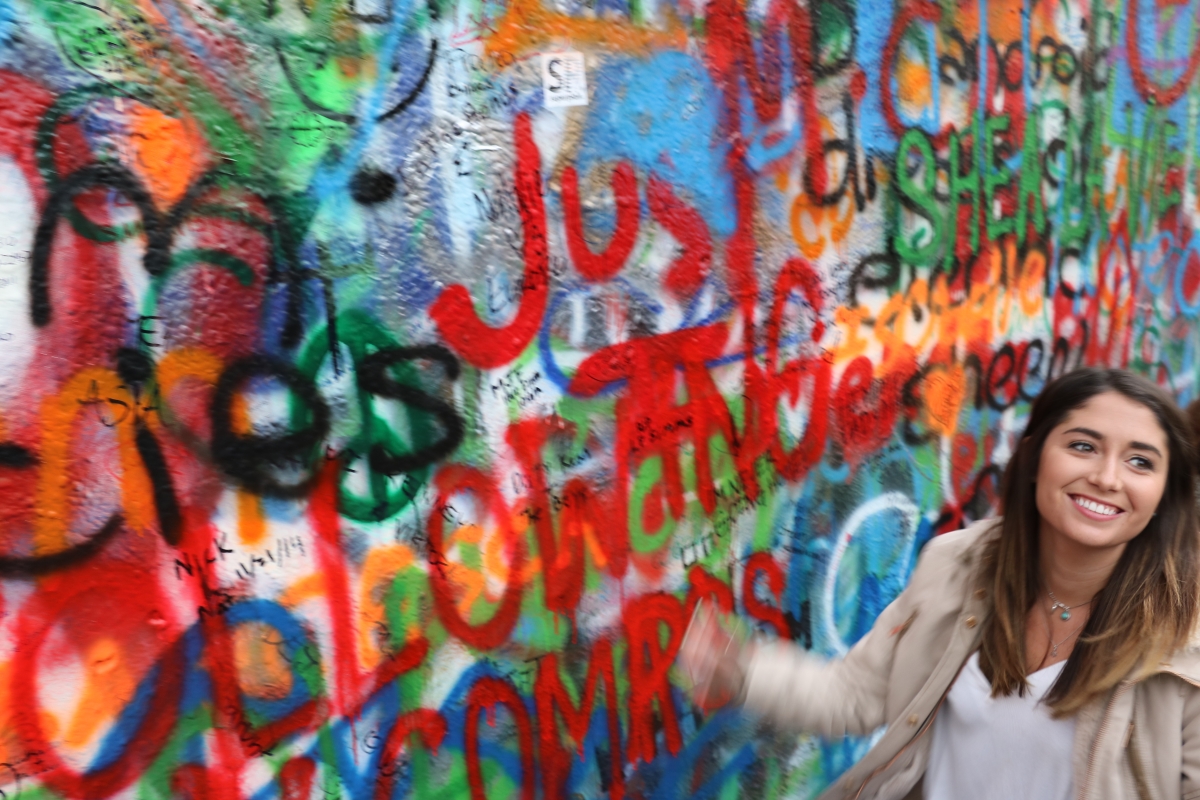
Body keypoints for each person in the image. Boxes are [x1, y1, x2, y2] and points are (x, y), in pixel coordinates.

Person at [679, 367, 1200, 799]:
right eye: (1083, 446)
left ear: (1163, 494)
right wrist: (743, 671)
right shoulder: (959, 565)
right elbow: (857, 695)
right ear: (1036, 459)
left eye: (1139, 461)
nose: (1108, 477)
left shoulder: (1186, 649)